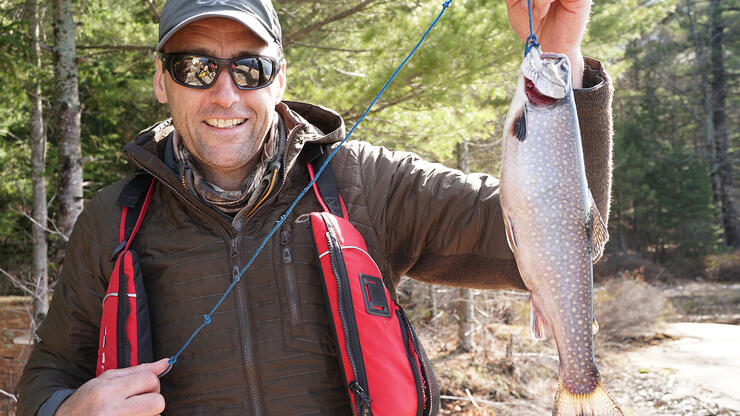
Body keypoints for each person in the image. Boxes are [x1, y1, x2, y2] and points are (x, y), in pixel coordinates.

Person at [16, 0, 614, 414]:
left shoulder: (367, 181)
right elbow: (48, 371)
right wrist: (65, 411)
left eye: (249, 67)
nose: (225, 94)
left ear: (279, 79)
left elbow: (568, 239)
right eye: (195, 68)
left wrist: (562, 55)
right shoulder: (112, 221)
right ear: (160, 82)